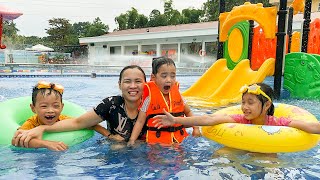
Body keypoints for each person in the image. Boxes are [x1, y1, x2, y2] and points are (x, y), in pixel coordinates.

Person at [12, 65, 147, 148]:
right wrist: (43, 128)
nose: (133, 86)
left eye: (138, 81)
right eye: (127, 81)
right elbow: (79, 122)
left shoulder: (153, 106)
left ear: (146, 84)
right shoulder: (110, 104)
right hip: (115, 151)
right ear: (119, 85)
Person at [152, 83, 320, 134]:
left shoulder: (277, 123)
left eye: (250, 102)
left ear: (267, 105)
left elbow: (310, 126)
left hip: (267, 152)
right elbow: (209, 119)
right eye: (243, 102)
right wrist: (176, 120)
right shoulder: (239, 120)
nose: (244, 107)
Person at [11, 81, 109, 151]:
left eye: (56, 106)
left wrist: (109, 135)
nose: (50, 110)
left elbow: (90, 124)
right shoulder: (31, 123)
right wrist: (46, 143)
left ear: (62, 107)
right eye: (44, 106)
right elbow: (16, 140)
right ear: (33, 108)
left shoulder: (64, 120)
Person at [128, 57, 201, 146]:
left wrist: (196, 128)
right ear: (153, 78)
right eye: (164, 76)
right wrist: (132, 140)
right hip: (157, 145)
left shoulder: (179, 96)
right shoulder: (149, 99)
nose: (169, 80)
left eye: (172, 76)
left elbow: (189, 112)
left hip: (180, 141)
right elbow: (140, 121)